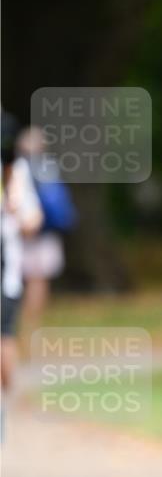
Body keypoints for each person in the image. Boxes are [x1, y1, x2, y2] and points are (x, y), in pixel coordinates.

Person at [1, 128, 44, 441]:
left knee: (4, 342)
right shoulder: (16, 171)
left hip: (7, 274)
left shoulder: (15, 172)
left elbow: (31, 221)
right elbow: (32, 222)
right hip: (8, 276)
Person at [15, 125, 74, 326]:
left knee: (24, 278)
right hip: (43, 231)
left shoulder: (16, 167)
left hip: (22, 230)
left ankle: (21, 320)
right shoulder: (48, 166)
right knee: (37, 279)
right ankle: (31, 321)